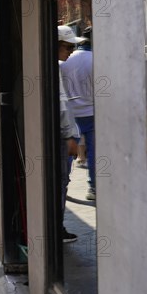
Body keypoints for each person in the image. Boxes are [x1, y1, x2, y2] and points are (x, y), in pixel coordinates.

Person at [60, 26, 96, 200]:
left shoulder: (65, 62)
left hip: (72, 114)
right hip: (90, 112)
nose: (70, 50)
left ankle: (63, 182)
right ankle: (94, 188)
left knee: (68, 154)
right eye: (68, 47)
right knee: (94, 152)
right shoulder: (95, 59)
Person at [57, 26, 81, 243]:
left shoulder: (58, 67)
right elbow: (62, 106)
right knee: (61, 181)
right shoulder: (54, 68)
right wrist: (69, 137)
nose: (71, 51)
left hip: (64, 134)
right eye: (67, 46)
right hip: (62, 137)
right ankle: (57, 228)